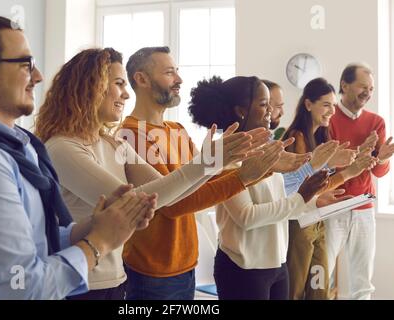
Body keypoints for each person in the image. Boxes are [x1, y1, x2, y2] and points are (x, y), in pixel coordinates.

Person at [0, 15, 156, 300]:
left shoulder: (23, 146)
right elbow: (21, 287)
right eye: (25, 64)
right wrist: (99, 243)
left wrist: (98, 225)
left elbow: (37, 239)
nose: (39, 76)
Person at [34, 47, 261, 300]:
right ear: (91, 86)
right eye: (118, 83)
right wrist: (211, 164)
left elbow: (167, 193)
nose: (125, 93)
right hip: (83, 284)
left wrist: (214, 165)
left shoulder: (112, 143)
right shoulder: (63, 147)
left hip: (117, 279)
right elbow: (131, 202)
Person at [119, 47, 309, 300]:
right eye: (169, 73)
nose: (179, 80)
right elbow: (173, 205)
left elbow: (200, 186)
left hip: (185, 267)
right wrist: (244, 175)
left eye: (177, 72)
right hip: (152, 272)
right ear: (141, 79)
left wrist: (263, 170)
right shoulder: (131, 135)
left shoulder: (177, 130)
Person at [189, 75, 352, 300]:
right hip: (243, 268)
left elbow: (280, 202)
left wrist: (312, 201)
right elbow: (247, 216)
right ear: (241, 111)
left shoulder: (267, 150)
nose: (271, 111)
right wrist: (301, 196)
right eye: (264, 104)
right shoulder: (225, 156)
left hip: (276, 264)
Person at [283, 78, 376, 300]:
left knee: (320, 287)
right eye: (326, 105)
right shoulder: (297, 136)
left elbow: (321, 184)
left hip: (317, 222)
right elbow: (297, 186)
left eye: (334, 105)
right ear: (308, 105)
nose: (331, 111)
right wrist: (344, 171)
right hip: (300, 223)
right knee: (295, 289)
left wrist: (353, 165)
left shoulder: (320, 137)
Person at [326, 63, 394, 300]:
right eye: (363, 86)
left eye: (372, 88)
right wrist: (360, 154)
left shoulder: (376, 122)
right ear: (344, 85)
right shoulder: (328, 117)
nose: (368, 92)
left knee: (363, 283)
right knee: (324, 278)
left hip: (364, 207)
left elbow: (379, 172)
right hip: (332, 207)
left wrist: (382, 159)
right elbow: (326, 165)